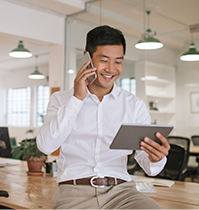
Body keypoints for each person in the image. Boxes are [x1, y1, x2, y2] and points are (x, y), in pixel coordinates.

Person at [36, 25, 170, 209]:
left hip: (123, 193)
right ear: (87, 58)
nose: (111, 69)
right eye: (104, 60)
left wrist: (156, 159)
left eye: (118, 61)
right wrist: (77, 98)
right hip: (74, 194)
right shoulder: (61, 100)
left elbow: (148, 166)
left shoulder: (134, 105)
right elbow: (46, 146)